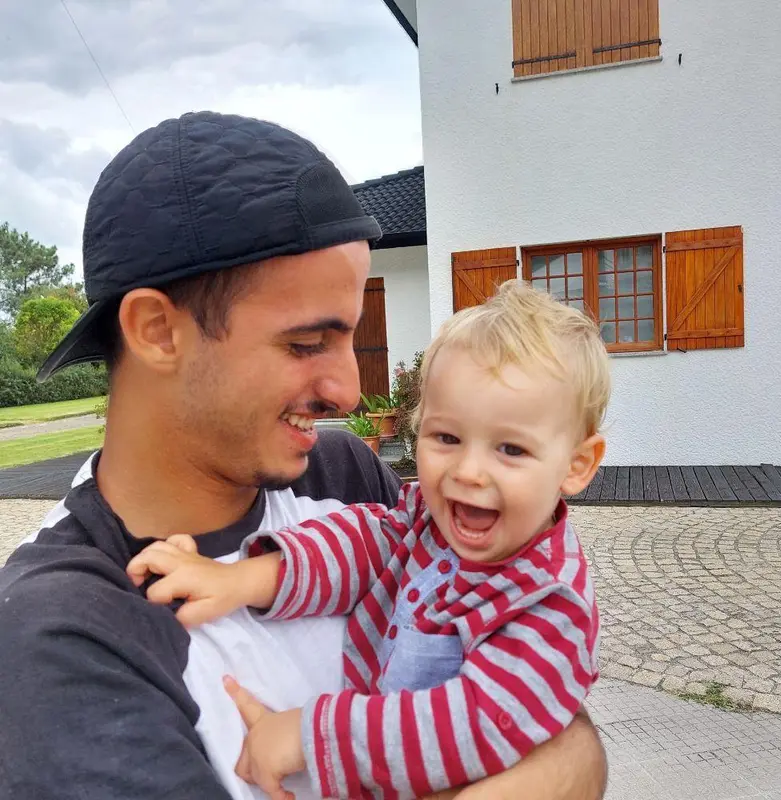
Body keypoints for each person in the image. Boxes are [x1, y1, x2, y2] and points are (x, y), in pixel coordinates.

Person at [0, 111, 607, 800]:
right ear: (157, 331)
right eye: (305, 344)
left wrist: (571, 757)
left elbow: (521, 709)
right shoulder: (61, 634)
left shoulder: (341, 474)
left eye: (350, 337)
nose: (348, 391)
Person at [127, 280, 609, 800]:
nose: (468, 471)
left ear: (577, 465)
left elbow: (476, 723)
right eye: (446, 437)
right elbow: (362, 546)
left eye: (511, 449)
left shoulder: (550, 603)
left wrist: (307, 735)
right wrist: (241, 579)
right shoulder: (426, 522)